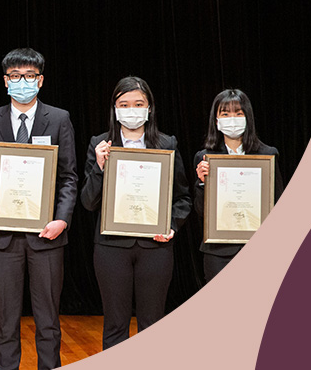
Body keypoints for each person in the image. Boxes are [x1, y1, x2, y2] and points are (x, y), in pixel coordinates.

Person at [0, 49, 78, 370]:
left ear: (40, 80)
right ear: (6, 81)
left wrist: (62, 219)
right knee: (5, 320)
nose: (23, 82)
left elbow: (69, 176)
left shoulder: (59, 119)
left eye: (29, 76)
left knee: (48, 321)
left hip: (47, 234)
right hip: (3, 237)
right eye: (15, 76)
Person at [79, 76, 191, 350]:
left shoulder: (166, 144)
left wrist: (171, 226)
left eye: (139, 104)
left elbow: (182, 198)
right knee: (115, 324)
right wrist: (99, 167)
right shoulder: (100, 144)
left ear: (149, 108)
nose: (132, 110)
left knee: (152, 324)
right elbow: (88, 202)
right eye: (124, 104)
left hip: (155, 247)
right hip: (111, 248)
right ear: (115, 109)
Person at [193, 89, 284, 282]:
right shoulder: (205, 158)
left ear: (247, 118)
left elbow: (277, 202)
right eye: (225, 114)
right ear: (216, 120)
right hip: (218, 250)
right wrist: (202, 182)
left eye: (238, 113)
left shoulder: (267, 155)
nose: (232, 119)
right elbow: (200, 211)